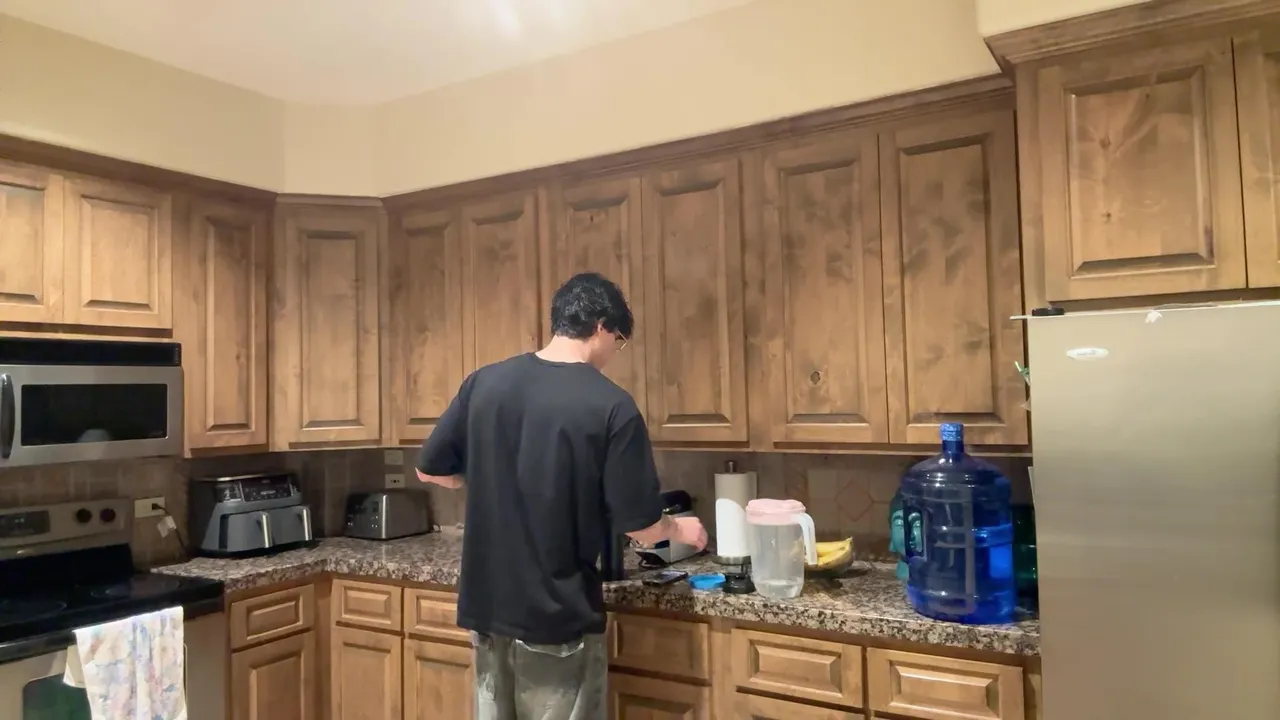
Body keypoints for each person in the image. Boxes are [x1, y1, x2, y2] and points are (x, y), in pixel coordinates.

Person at [415, 271, 708, 720]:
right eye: (618, 342)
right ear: (602, 326)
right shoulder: (612, 406)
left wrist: (477, 476)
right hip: (556, 620)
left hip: (487, 613)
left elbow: (429, 468)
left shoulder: (483, 383)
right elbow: (642, 527)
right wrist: (682, 529)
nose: (613, 354)